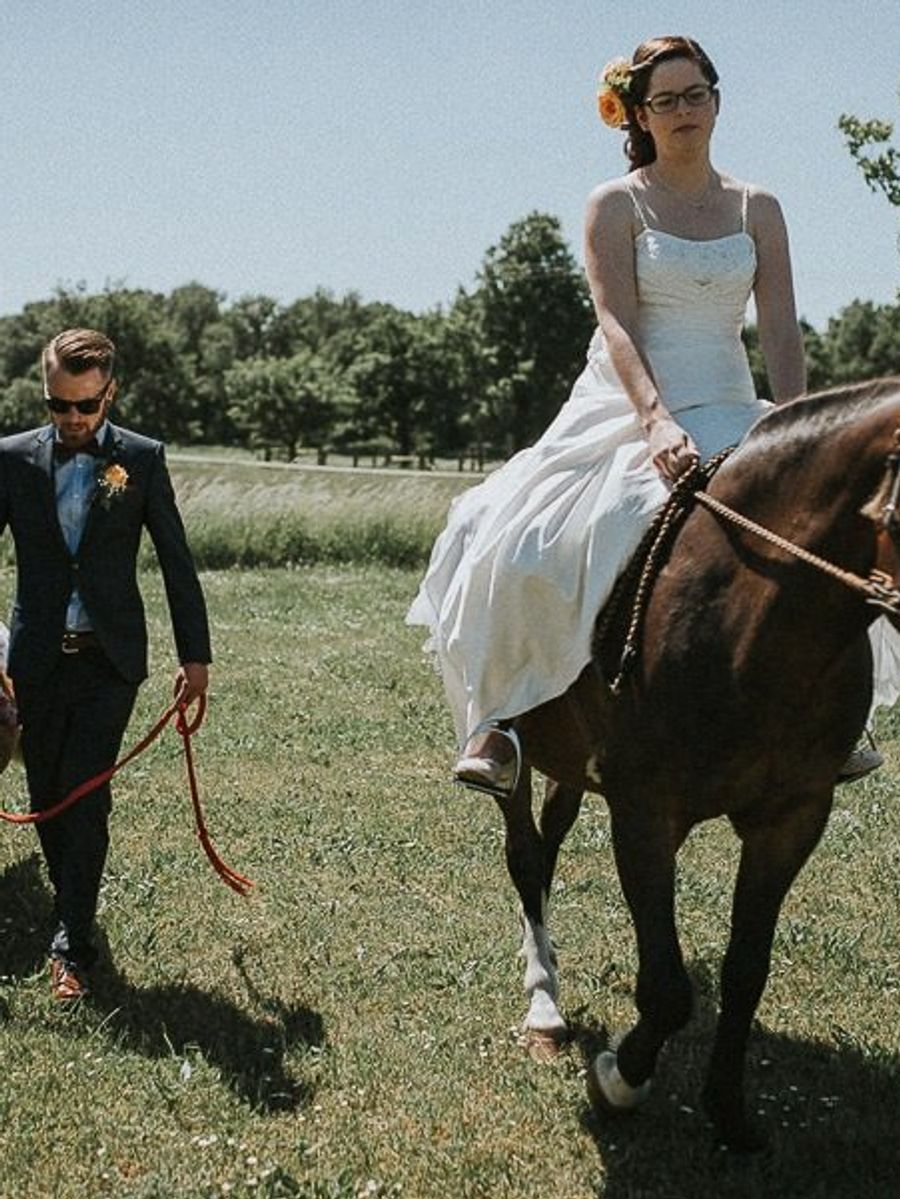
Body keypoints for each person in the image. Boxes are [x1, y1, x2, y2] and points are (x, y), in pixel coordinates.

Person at [407, 34, 888, 796]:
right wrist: (659, 422)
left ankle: (830, 720)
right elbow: (617, 323)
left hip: (736, 404)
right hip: (632, 402)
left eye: (695, 94)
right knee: (524, 537)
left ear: (717, 101)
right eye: (665, 100)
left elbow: (781, 328)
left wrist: (799, 431)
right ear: (639, 114)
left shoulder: (758, 206)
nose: (684, 111)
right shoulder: (615, 204)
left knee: (819, 536)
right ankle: (504, 719)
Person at [0, 328, 211, 1000]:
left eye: (85, 407)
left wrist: (195, 656)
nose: (71, 421)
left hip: (108, 661)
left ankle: (74, 947)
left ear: (109, 393)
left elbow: (177, 562)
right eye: (58, 405)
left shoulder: (141, 461)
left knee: (85, 796)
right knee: (45, 799)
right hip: (33, 658)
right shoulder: (11, 460)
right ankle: (73, 909)